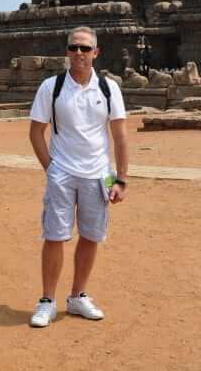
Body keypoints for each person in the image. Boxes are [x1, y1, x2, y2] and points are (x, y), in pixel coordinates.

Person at [27, 25, 128, 328]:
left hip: (98, 174)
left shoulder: (108, 88)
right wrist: (51, 169)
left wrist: (120, 180)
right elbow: (36, 132)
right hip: (62, 173)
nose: (79, 53)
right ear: (67, 51)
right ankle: (47, 301)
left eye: (85, 48)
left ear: (96, 52)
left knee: (90, 235)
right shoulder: (52, 87)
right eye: (74, 47)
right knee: (54, 236)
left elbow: (120, 136)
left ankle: (77, 296)